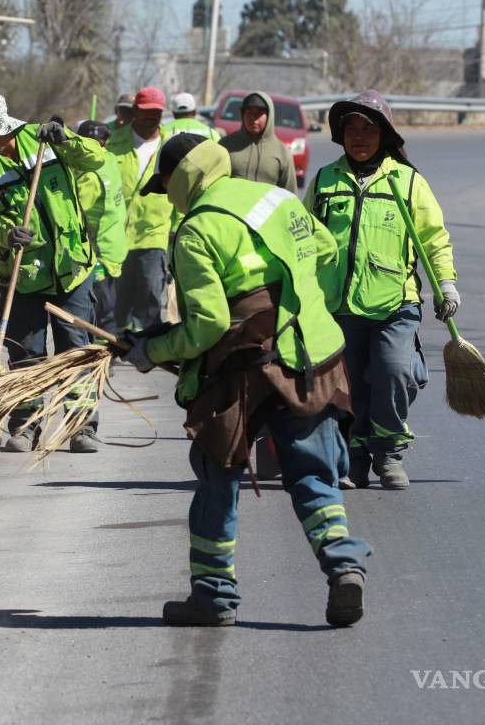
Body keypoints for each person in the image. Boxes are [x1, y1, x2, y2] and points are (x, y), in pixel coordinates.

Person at [118, 132, 371, 628]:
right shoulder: (277, 198)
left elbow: (208, 325)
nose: (166, 197)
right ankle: (344, 565)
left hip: (246, 367)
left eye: (164, 185)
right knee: (314, 475)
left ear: (177, 177)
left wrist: (153, 350)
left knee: (218, 476)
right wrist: (291, 296)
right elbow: (325, 251)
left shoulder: (197, 229)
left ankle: (213, 598)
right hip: (312, 354)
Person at [303, 90, 458, 490]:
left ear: (384, 135)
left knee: (394, 371)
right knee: (346, 385)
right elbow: (301, 239)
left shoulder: (407, 183)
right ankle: (353, 458)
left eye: (369, 128)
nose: (359, 136)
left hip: (395, 303)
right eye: (351, 128)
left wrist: (447, 285)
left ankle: (387, 452)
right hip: (338, 306)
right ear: (340, 133)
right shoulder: (324, 180)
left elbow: (433, 239)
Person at [0, 93, 105, 454]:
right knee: (26, 355)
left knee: (75, 350)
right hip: (23, 276)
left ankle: (81, 426)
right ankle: (25, 427)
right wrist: (7, 234)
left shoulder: (43, 139)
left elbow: (96, 159)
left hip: (71, 269)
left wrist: (66, 138)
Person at [105, 86, 174, 332]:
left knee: (150, 299)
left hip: (154, 235)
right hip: (116, 237)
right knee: (114, 305)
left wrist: (177, 232)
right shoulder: (114, 144)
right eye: (146, 111)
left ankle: (146, 351)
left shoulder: (171, 148)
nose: (151, 117)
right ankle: (110, 351)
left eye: (156, 112)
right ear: (134, 111)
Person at [75, 120, 128, 336]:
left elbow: (75, 215)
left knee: (96, 310)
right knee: (107, 309)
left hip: (98, 254)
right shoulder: (111, 161)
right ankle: (104, 355)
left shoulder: (88, 175)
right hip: (114, 247)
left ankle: (99, 360)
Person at [219, 91, 296, 189]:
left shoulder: (282, 153)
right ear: (242, 114)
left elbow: (290, 196)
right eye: (248, 112)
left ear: (269, 116)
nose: (253, 118)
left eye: (259, 113)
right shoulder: (225, 146)